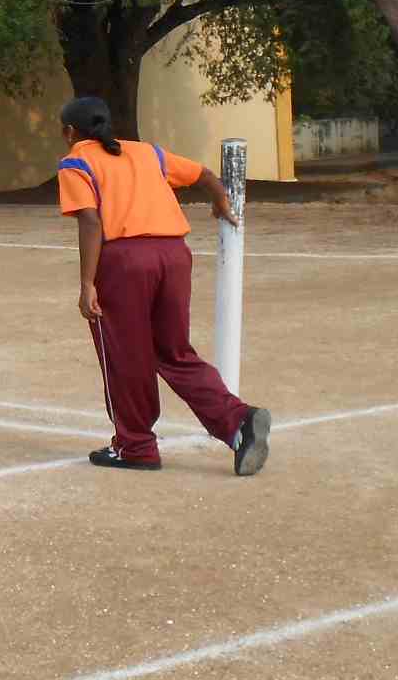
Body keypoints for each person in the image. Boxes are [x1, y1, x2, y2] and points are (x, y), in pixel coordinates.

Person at [57, 96, 271, 475]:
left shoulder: (76, 161)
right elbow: (204, 174)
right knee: (174, 352)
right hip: (173, 255)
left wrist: (87, 282)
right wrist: (221, 199)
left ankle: (135, 445)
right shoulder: (147, 154)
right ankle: (238, 420)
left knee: (126, 355)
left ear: (70, 132)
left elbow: (90, 222)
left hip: (124, 261)